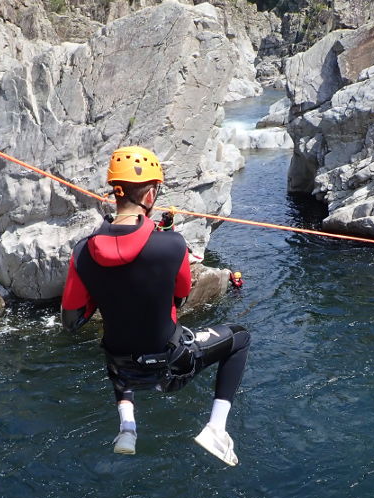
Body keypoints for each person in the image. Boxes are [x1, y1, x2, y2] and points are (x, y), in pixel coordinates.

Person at [61, 146, 250, 465]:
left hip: (124, 370)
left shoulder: (82, 252)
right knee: (240, 337)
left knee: (116, 342)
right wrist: (166, 242)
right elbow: (182, 294)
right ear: (150, 195)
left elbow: (72, 321)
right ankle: (217, 429)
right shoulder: (172, 244)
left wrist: (101, 292)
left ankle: (128, 427)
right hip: (172, 366)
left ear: (115, 191)